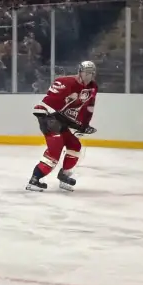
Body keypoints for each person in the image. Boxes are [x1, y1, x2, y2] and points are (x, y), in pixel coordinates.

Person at [26, 61, 98, 193]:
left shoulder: (92, 88)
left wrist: (84, 125)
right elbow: (45, 105)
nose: (89, 76)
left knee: (75, 146)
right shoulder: (65, 82)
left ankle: (64, 176)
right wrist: (43, 120)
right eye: (86, 73)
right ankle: (34, 180)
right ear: (80, 72)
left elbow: (88, 108)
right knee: (54, 153)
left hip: (61, 121)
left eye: (92, 73)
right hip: (50, 119)